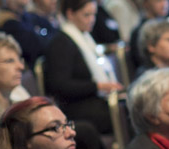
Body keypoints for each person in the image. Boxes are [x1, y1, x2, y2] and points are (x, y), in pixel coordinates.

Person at [43, 0, 123, 134]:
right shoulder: (61, 43)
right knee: (125, 114)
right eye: (86, 15)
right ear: (70, 14)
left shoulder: (86, 38)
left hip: (92, 101)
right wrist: (98, 86)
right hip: (76, 107)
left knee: (127, 107)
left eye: (94, 15)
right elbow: (59, 85)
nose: (92, 20)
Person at [128, 0, 169, 70]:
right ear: (146, 4)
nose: (164, 4)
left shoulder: (168, 25)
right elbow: (140, 61)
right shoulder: (139, 31)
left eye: (166, 0)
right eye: (159, 1)